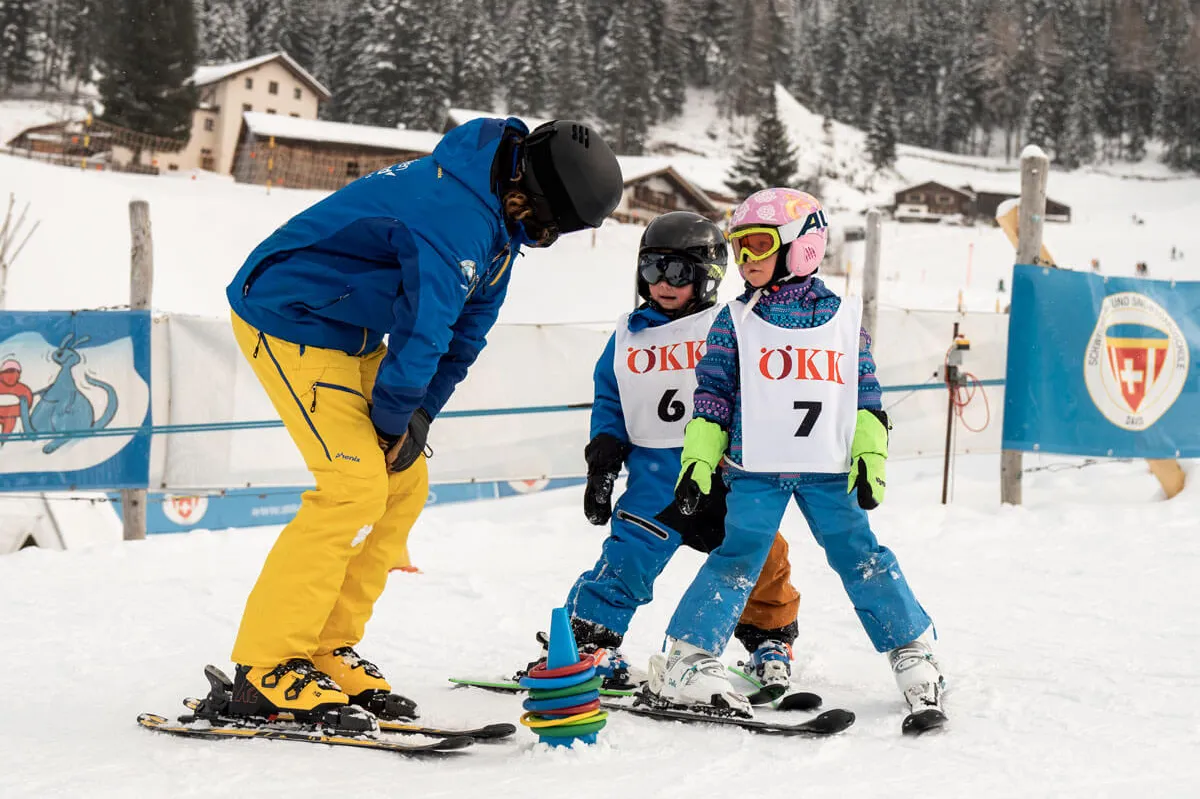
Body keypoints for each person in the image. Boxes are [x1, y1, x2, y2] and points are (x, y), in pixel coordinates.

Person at [222, 117, 623, 729]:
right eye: (555, 223)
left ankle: (325, 647)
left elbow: (466, 334)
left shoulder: (498, 228)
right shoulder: (454, 212)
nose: (550, 237)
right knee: (352, 486)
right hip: (286, 316)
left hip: (348, 333)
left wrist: (418, 417)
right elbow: (424, 330)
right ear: (536, 192)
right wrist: (392, 419)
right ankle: (266, 664)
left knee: (404, 484)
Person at [642, 188, 944, 722]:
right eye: (740, 247)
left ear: (802, 247)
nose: (747, 258)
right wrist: (697, 464)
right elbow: (711, 401)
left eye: (758, 244)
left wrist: (870, 458)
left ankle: (912, 647)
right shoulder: (733, 320)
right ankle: (689, 656)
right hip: (755, 468)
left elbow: (866, 399)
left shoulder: (846, 319)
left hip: (827, 469)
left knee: (862, 556)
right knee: (739, 556)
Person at [543, 212, 801, 694]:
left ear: (708, 276)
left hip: (725, 476)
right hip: (654, 480)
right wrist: (603, 461)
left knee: (763, 555)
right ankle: (589, 641)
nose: (662, 283)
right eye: (652, 270)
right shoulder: (628, 336)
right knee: (627, 557)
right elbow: (611, 397)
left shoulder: (733, 325)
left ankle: (770, 640)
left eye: (678, 273)